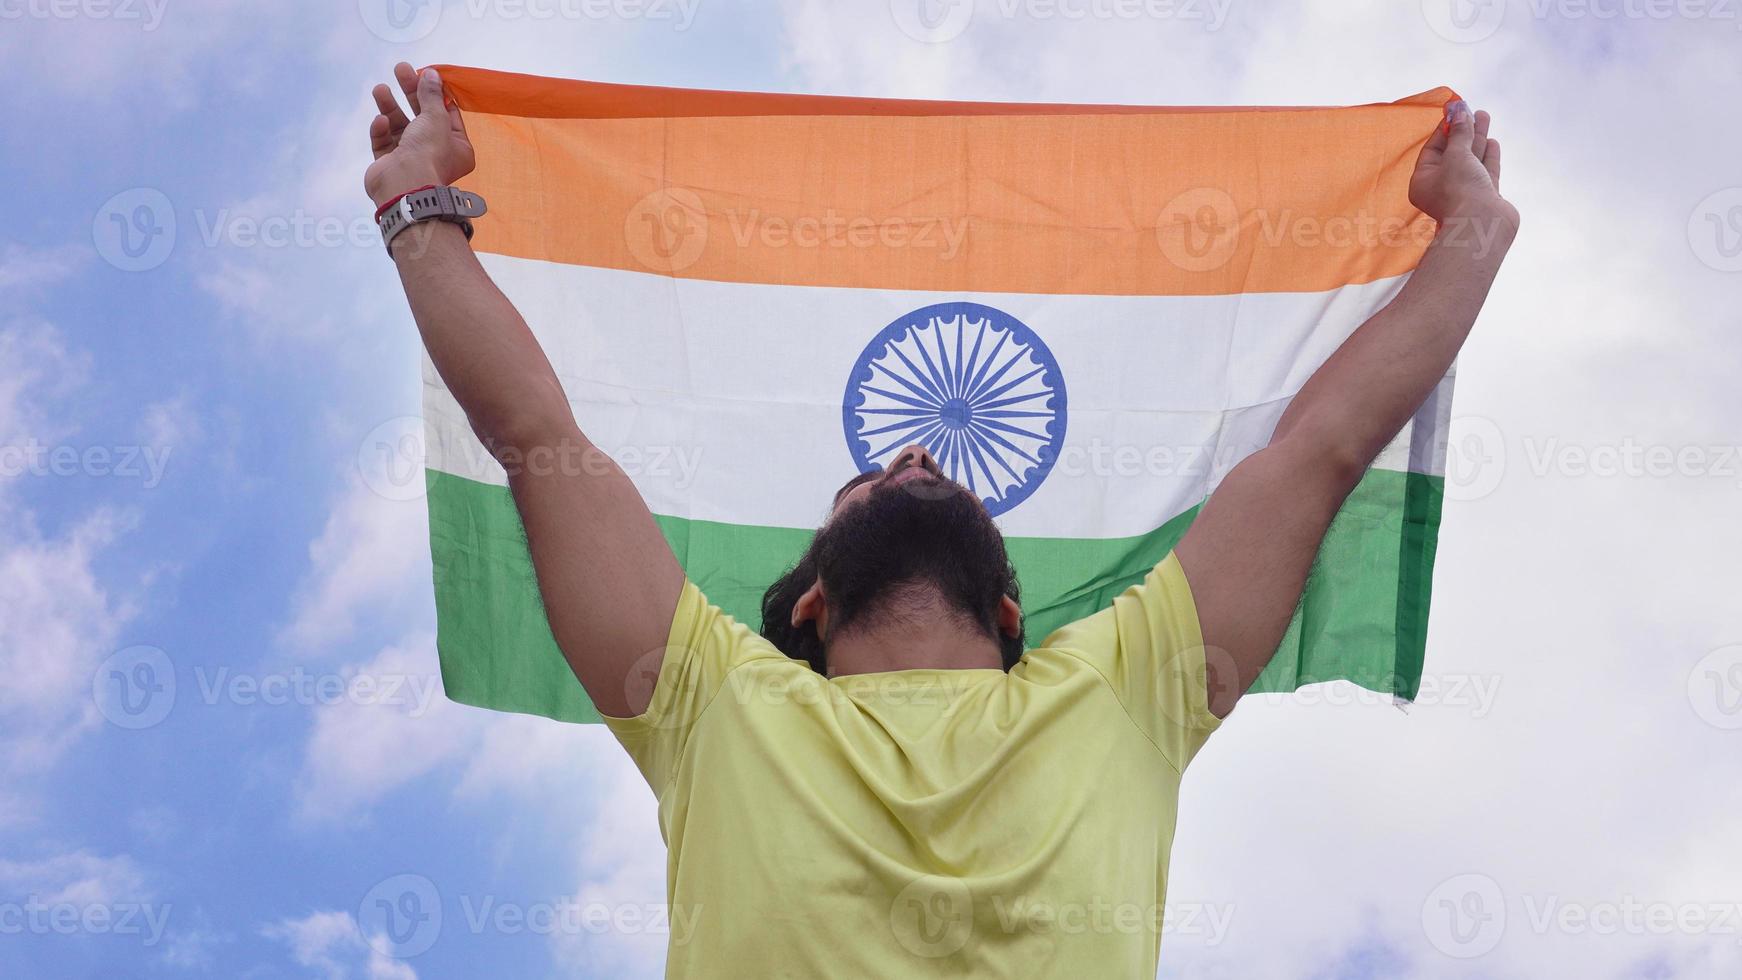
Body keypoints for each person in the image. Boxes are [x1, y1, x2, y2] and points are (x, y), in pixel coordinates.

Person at [364, 62, 1516, 977]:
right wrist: (416, 210)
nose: (912, 452)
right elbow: (532, 430)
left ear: (1011, 607)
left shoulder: (1125, 682)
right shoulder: (707, 700)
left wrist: (1475, 231)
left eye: (915, 465)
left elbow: (1316, 451)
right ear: (809, 603)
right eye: (871, 474)